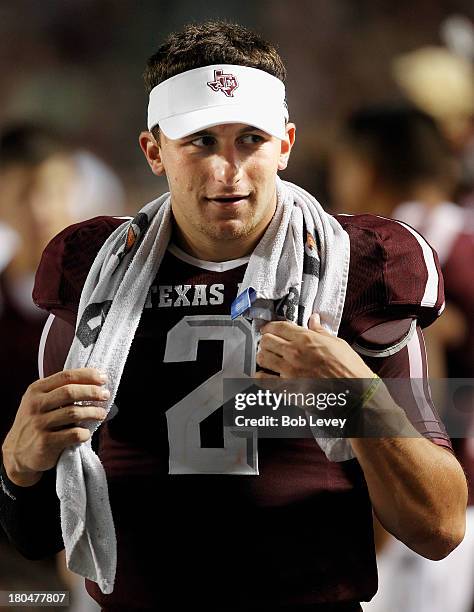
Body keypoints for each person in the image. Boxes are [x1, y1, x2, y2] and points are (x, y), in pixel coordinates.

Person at [0, 22, 468, 612]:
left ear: (286, 145)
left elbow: (441, 527)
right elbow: (38, 532)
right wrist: (18, 467)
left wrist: (355, 396)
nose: (229, 171)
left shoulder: (358, 271)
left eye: (250, 139)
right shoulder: (95, 274)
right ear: (153, 150)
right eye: (200, 141)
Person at [328, 103, 474, 612]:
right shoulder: (464, 228)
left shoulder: (394, 245)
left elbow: (424, 360)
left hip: (426, 505)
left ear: (365, 167)